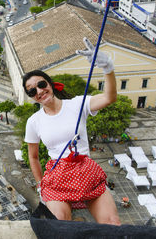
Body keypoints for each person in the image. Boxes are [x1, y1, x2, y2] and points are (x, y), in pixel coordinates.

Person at [23, 38, 120, 225]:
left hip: (85, 170)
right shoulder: (33, 121)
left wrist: (107, 68)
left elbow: (110, 97)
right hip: (57, 176)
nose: (39, 91)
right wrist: (39, 185)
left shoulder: (77, 104)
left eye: (41, 84)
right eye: (32, 91)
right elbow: (33, 157)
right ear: (32, 97)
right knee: (61, 225)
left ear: (50, 83)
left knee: (112, 222)